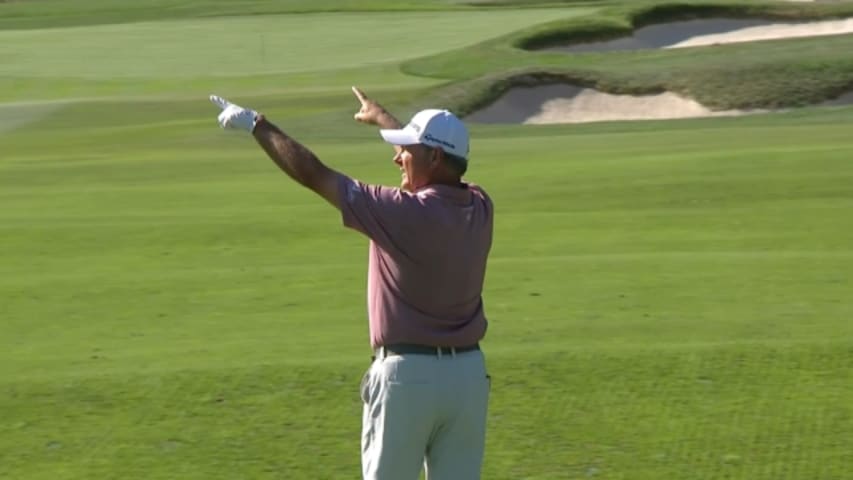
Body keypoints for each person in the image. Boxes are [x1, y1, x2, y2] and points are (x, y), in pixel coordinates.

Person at [209, 87, 493, 480]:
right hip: (467, 380)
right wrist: (385, 121)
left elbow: (315, 174)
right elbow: (440, 169)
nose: (397, 157)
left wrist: (258, 124)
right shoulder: (479, 206)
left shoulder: (401, 213)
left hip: (408, 380)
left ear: (434, 156)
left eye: (405, 149)